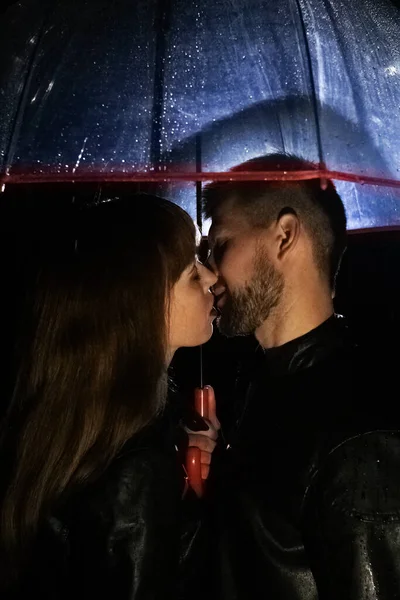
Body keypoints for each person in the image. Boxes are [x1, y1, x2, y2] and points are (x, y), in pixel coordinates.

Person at [195, 154, 400, 599]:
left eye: (221, 245)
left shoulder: (358, 431)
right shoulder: (263, 384)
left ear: (285, 235)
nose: (209, 272)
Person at [0, 193, 219, 599]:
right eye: (192, 272)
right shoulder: (138, 471)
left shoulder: (67, 433)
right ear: (141, 304)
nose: (212, 278)